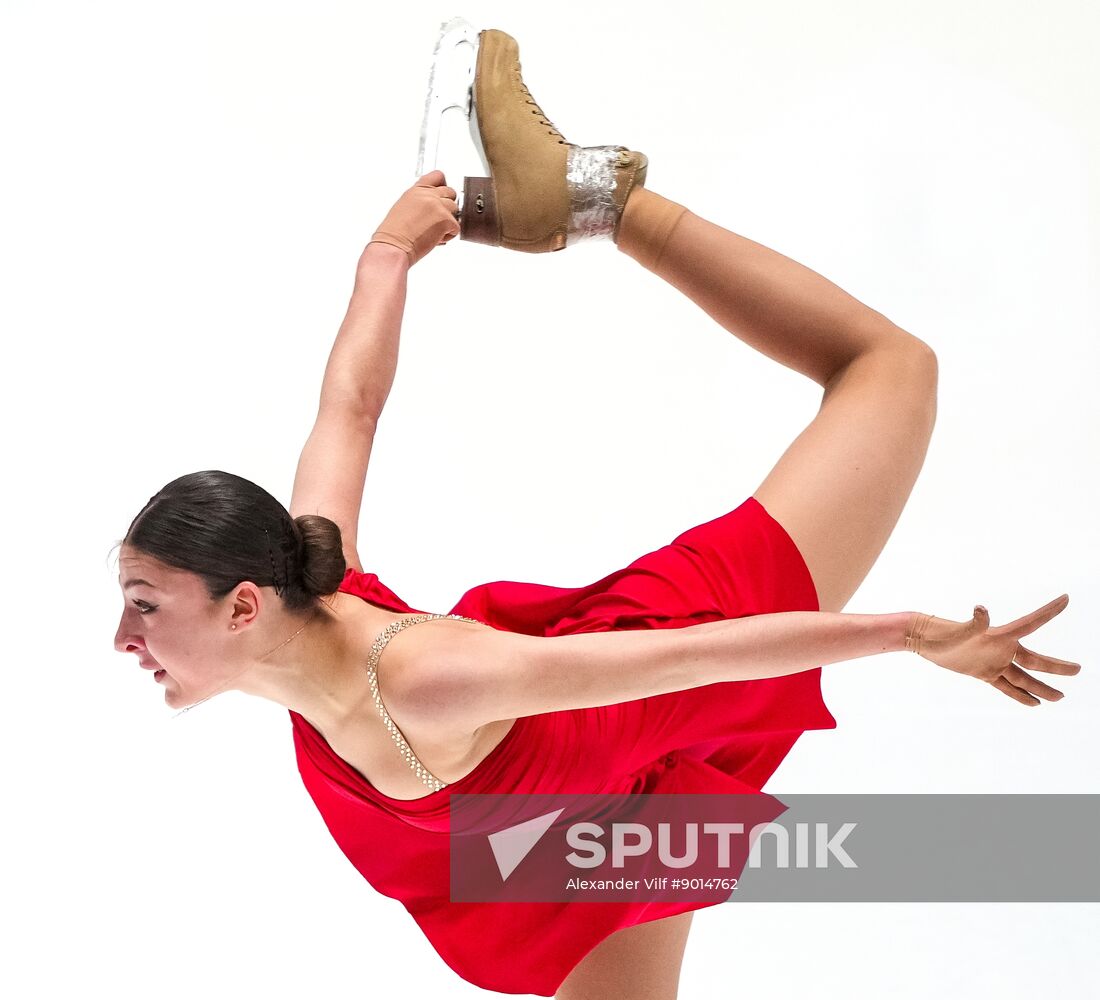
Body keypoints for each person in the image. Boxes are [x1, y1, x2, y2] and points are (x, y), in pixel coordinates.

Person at [112, 23, 1081, 1000]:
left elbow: (695, 655)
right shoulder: (312, 567)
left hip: (694, 643)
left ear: (243, 603)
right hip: (591, 835)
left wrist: (909, 634)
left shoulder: (425, 679)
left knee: (890, 369)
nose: (123, 634)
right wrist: (386, 255)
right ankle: (574, 201)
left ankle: (606, 201)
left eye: (144, 603)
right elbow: (347, 409)